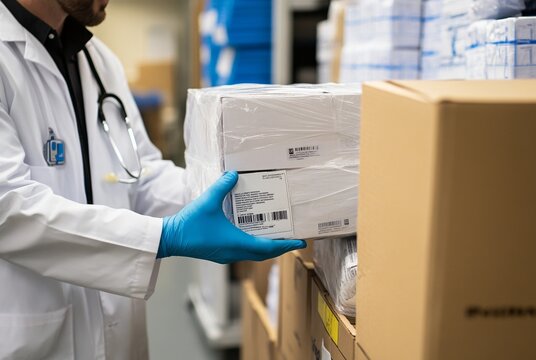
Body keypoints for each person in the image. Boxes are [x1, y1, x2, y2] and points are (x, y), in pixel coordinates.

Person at [0, 0, 306, 358]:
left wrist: (238, 198)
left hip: (117, 335)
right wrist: (164, 237)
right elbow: (9, 207)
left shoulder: (98, 61)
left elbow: (140, 172)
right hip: (35, 338)